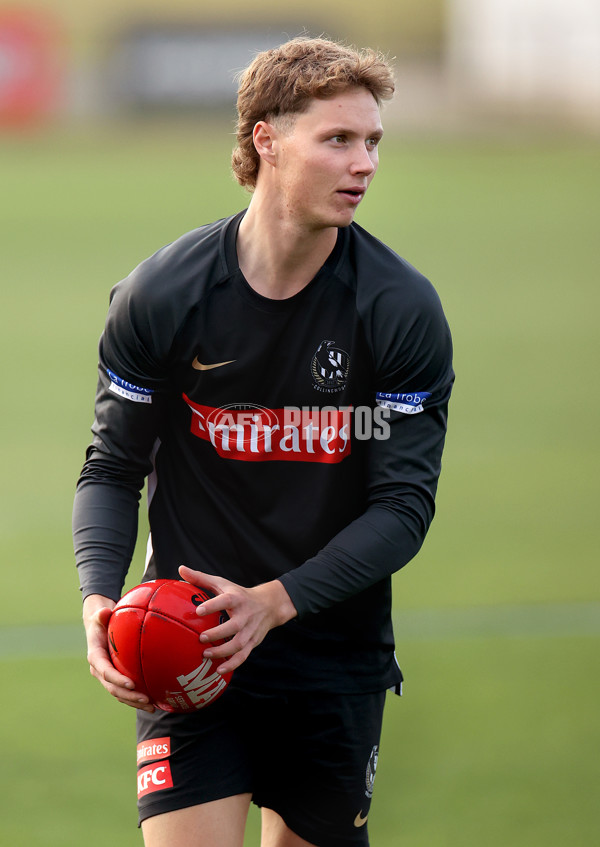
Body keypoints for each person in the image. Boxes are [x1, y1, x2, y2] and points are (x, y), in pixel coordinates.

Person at [73, 36, 454, 847]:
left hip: (330, 654)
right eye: (338, 139)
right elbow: (112, 466)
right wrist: (98, 595)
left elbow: (404, 507)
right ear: (266, 140)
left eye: (373, 141)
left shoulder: (398, 310)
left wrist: (276, 601)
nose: (365, 163)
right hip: (188, 649)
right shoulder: (163, 295)